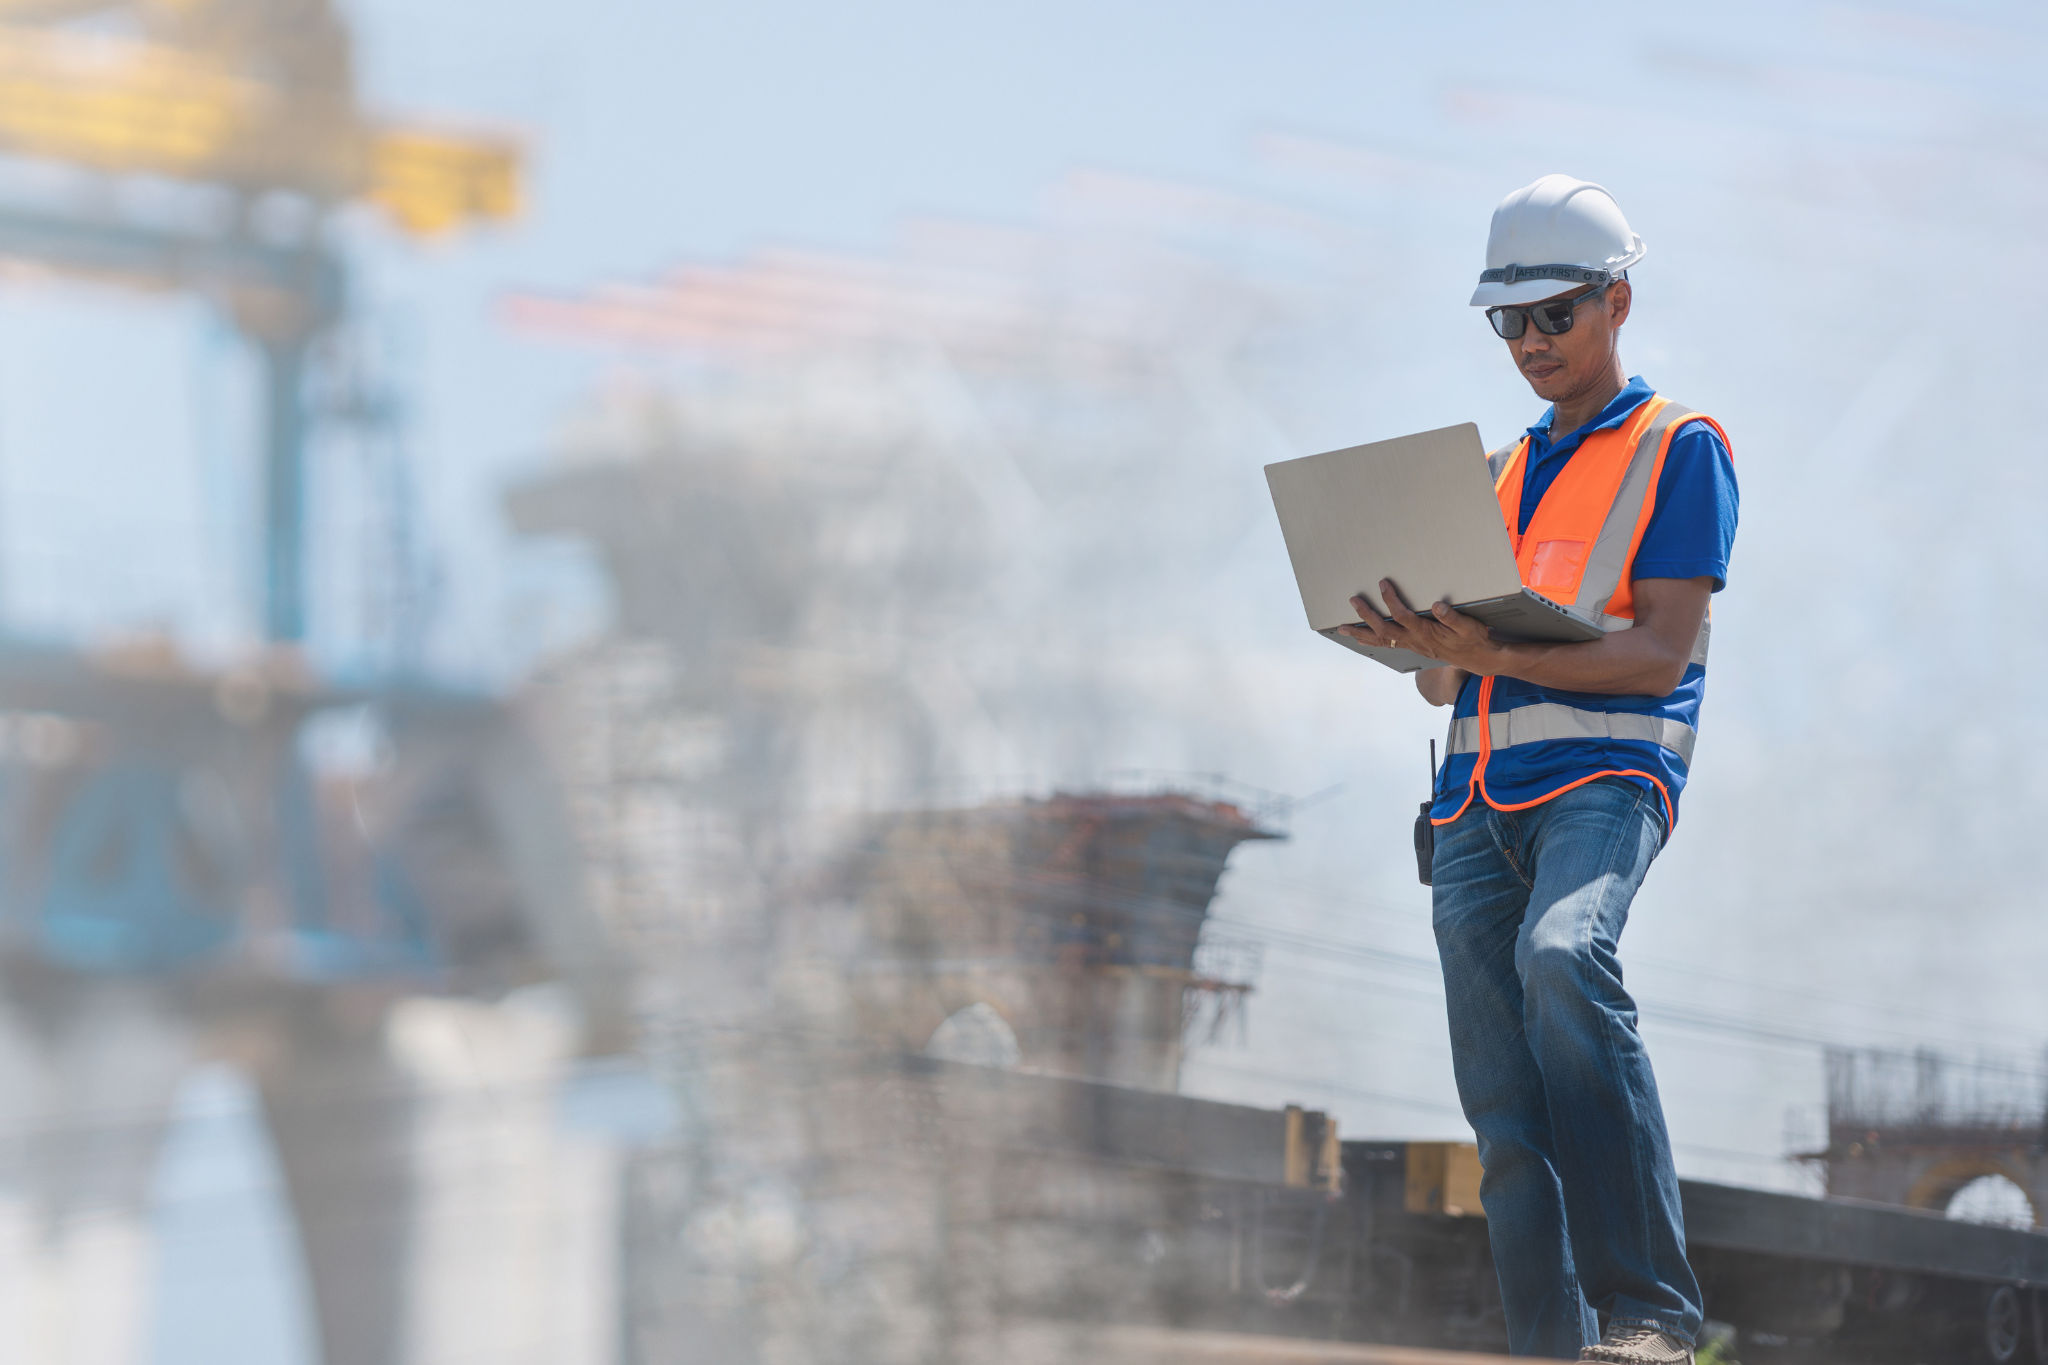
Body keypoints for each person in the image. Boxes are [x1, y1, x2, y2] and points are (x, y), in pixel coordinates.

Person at [1341, 175, 1737, 1363]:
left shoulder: (1679, 449)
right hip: (1471, 802)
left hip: (1603, 781)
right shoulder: (1495, 478)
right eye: (1506, 322)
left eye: (1552, 315)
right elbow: (1444, 685)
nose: (1528, 342)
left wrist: (1491, 653)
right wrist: (1414, 641)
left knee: (1564, 957)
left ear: (1615, 302)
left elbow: (1657, 652)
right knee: (1506, 1118)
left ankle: (1649, 1317)